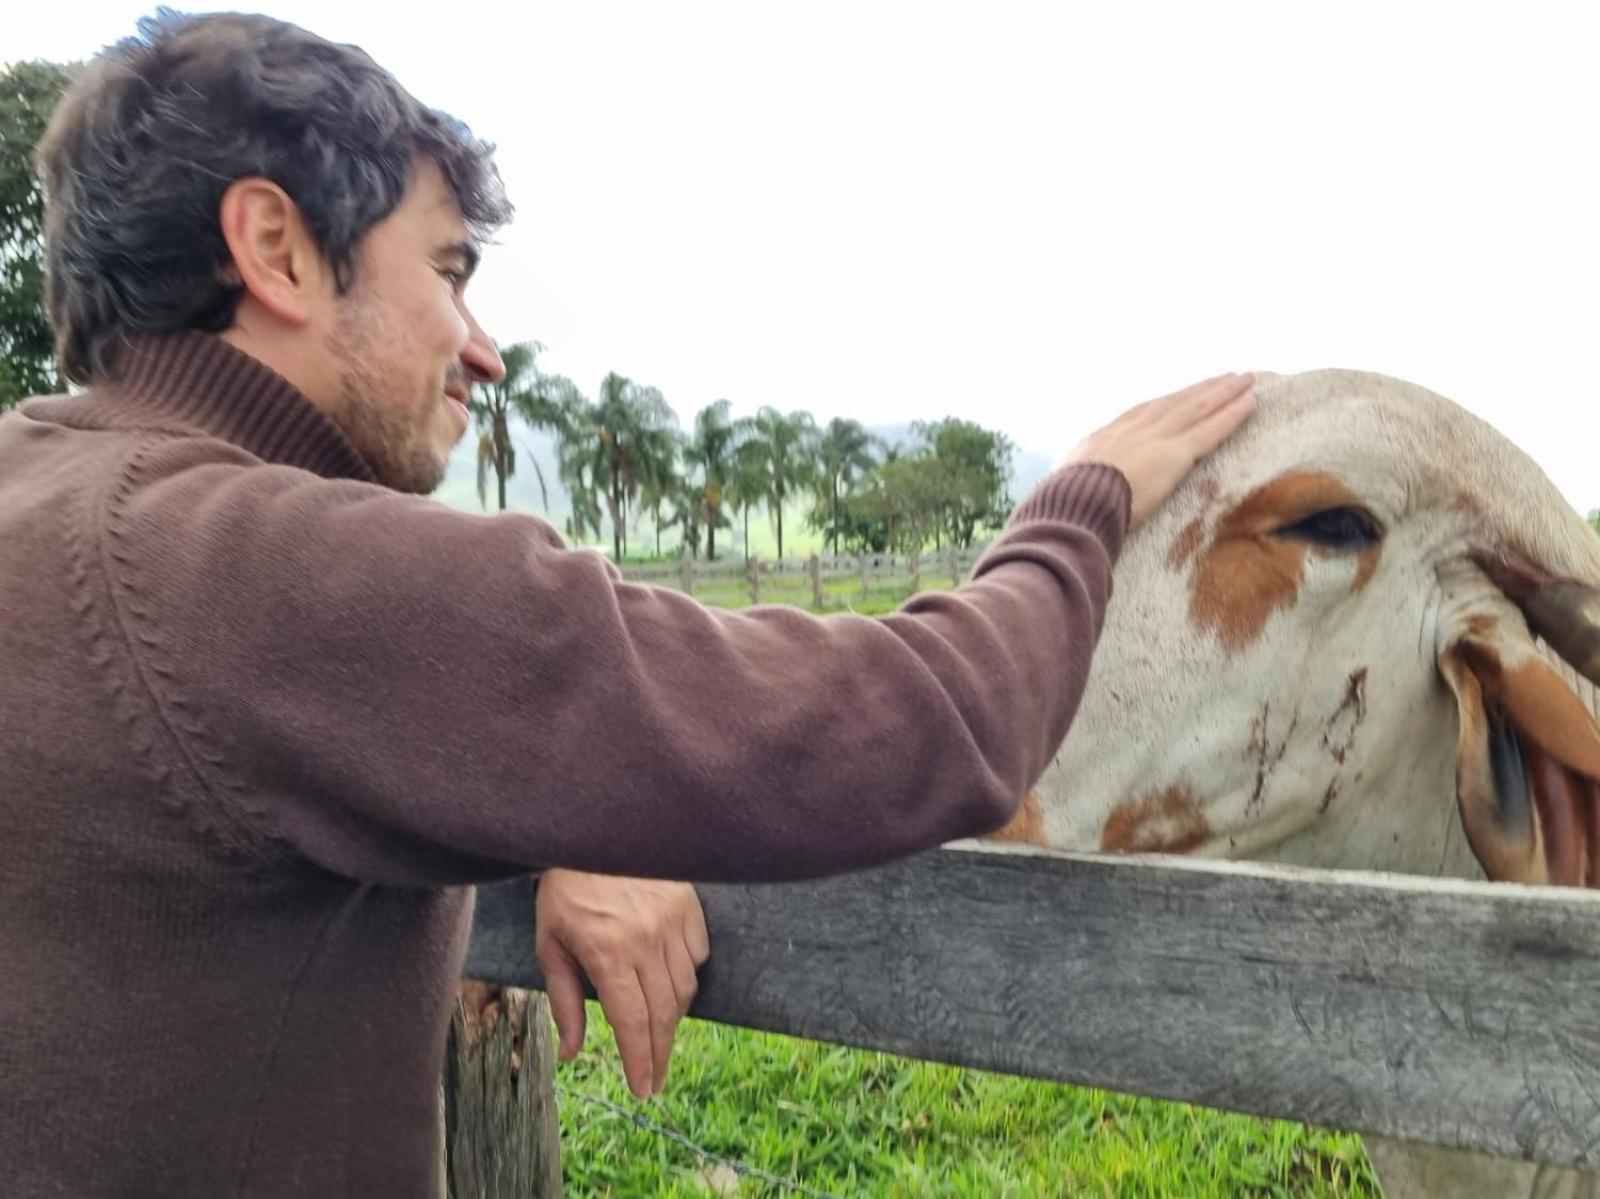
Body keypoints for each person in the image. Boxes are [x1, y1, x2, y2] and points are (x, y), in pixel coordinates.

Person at [0, 11, 1254, 1197]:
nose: (482, 347)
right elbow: (923, 723)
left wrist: (557, 810)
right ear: (276, 249)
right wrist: (1079, 504)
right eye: (446, 270)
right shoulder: (265, 565)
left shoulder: (46, 499)